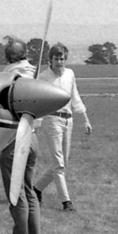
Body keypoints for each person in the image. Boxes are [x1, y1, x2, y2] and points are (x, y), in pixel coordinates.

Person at [34, 43, 93, 212]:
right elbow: (38, 100)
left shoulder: (70, 74)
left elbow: (75, 97)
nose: (60, 62)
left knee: (62, 163)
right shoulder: (43, 77)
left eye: (62, 59)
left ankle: (36, 188)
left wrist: (86, 119)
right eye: (56, 59)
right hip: (52, 120)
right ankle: (66, 202)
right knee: (58, 163)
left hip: (69, 120)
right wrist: (36, 123)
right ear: (50, 60)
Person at [0, 36, 40, 234]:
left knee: (16, 188)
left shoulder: (10, 74)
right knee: (29, 187)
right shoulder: (35, 73)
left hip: (15, 140)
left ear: (9, 56)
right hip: (33, 137)